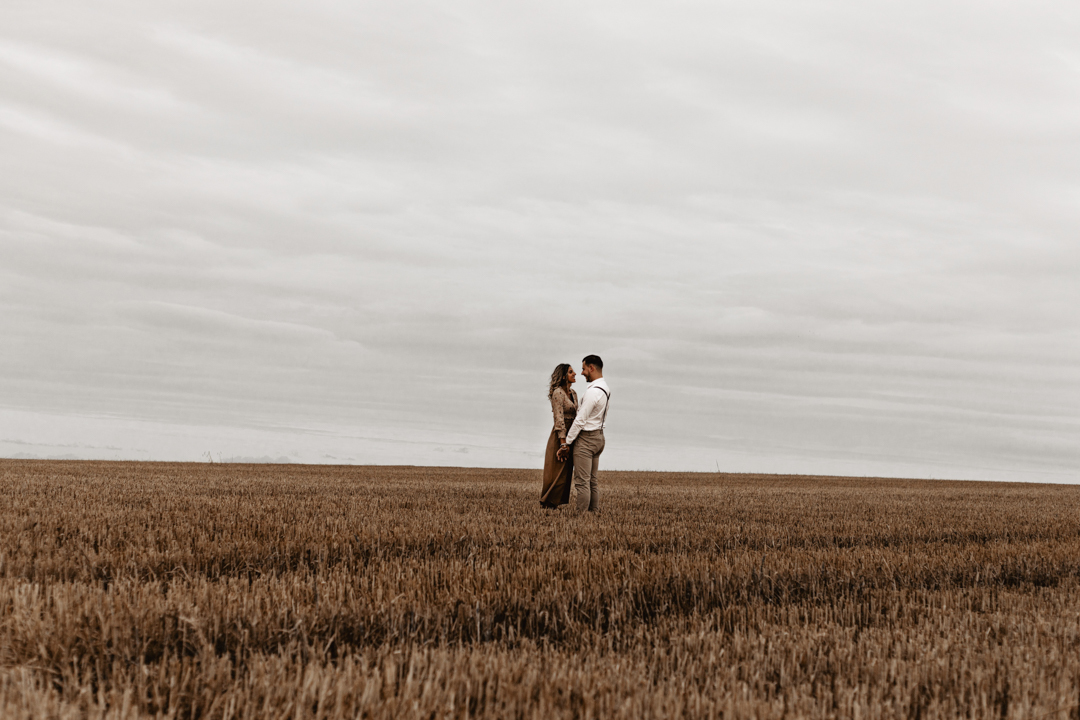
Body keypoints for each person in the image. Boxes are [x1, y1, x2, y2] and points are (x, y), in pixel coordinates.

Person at [561, 355, 609, 513]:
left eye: (583, 369)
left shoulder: (592, 392)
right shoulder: (605, 389)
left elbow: (580, 420)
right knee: (592, 482)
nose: (581, 373)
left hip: (586, 439)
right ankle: (593, 514)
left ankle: (580, 519)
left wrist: (566, 443)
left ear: (592, 368)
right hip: (599, 437)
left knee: (582, 483)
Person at [540, 363, 578, 508]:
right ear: (563, 376)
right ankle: (547, 503)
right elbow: (559, 419)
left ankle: (557, 503)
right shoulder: (558, 393)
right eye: (570, 372)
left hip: (571, 436)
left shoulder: (573, 393)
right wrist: (563, 443)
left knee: (566, 472)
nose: (575, 374)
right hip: (559, 436)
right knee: (555, 471)